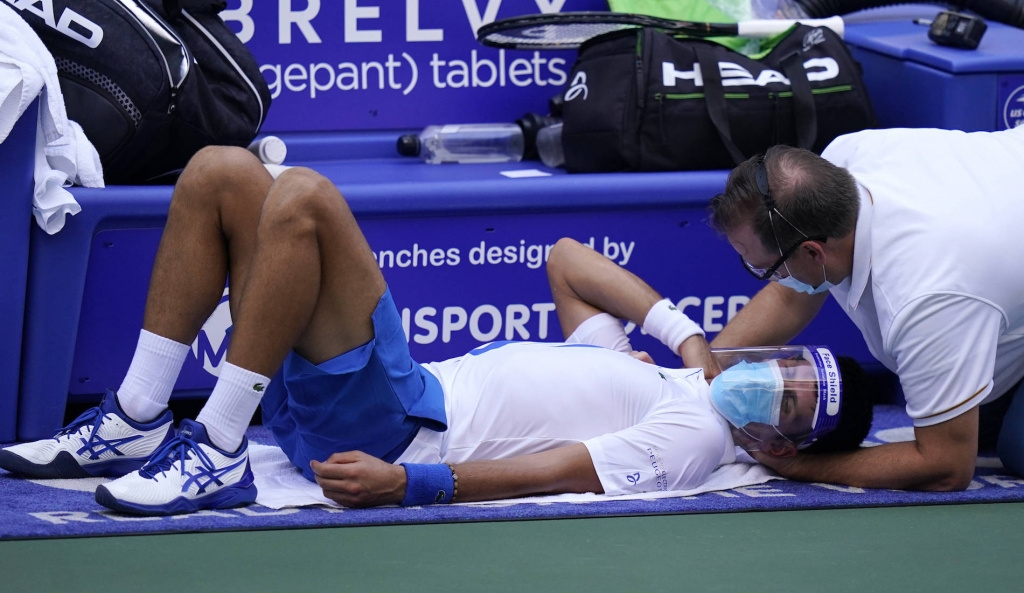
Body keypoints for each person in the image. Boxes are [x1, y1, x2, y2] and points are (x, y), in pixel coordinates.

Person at [0, 147, 870, 514]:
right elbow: (569, 260)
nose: (771, 383)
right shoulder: (671, 379)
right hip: (387, 390)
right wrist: (688, 340)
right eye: (789, 368)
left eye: (789, 404)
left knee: (301, 195)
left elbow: (559, 471)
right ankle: (141, 412)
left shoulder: (698, 434)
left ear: (780, 448)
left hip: (395, 427)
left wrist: (415, 484)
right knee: (218, 173)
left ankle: (220, 444)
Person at [707, 125, 1024, 491]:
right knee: (961, 405)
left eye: (764, 268)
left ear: (814, 252)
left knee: (1012, 442)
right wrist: (705, 369)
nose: (766, 278)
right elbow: (791, 294)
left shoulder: (924, 298)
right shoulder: (841, 161)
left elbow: (946, 467)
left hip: (969, 270)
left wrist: (798, 466)